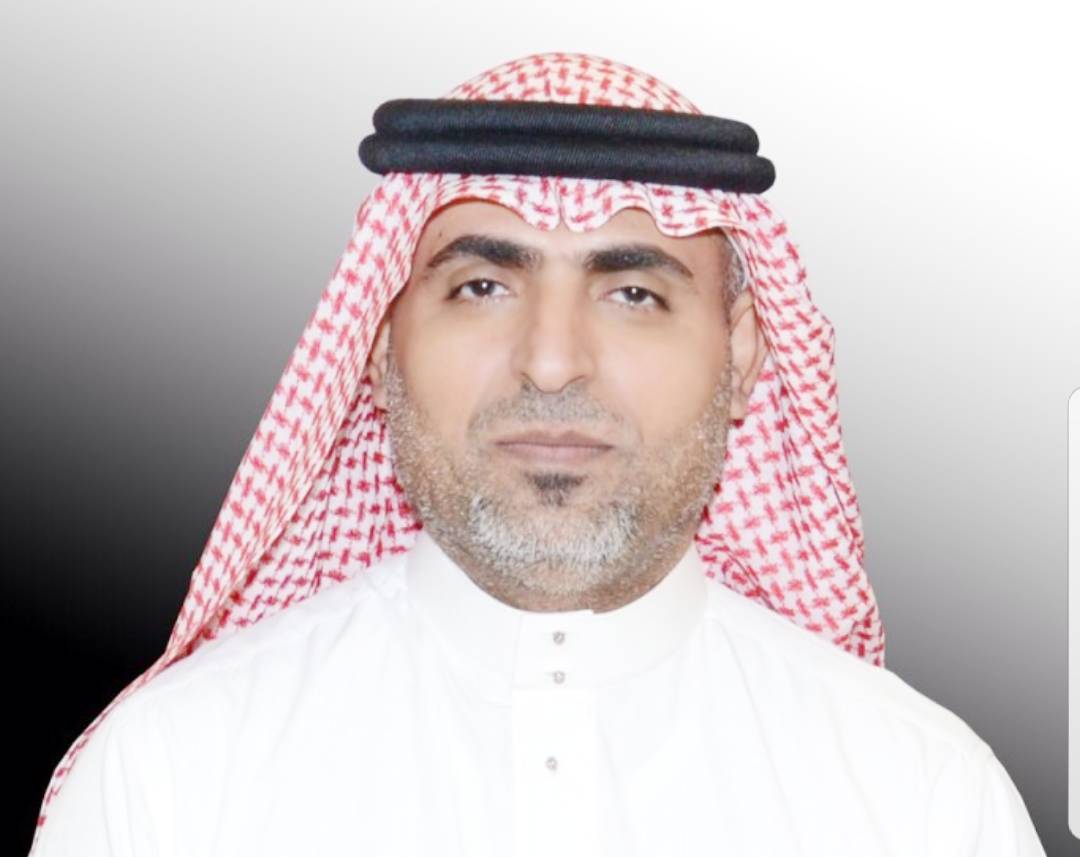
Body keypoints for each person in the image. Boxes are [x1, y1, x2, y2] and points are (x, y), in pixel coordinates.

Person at [29, 52, 1046, 856]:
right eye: (482, 287)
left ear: (741, 356)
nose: (553, 362)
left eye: (633, 292)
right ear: (378, 343)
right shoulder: (173, 778)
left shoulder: (921, 799)